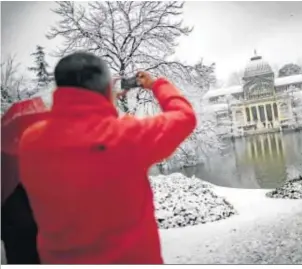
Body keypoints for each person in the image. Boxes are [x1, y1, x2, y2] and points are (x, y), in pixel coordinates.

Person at [18, 52, 197, 264]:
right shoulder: (127, 137)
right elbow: (185, 116)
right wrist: (157, 84)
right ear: (108, 89)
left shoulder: (30, 142)